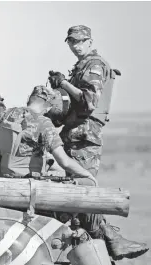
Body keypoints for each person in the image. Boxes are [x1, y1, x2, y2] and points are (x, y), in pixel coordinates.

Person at [47, 25, 148, 260]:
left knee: (84, 191)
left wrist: (63, 83)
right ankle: (106, 241)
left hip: (85, 136)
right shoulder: (81, 66)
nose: (76, 46)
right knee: (74, 193)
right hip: (73, 134)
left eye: (80, 41)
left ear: (90, 41)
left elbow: (89, 102)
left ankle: (111, 239)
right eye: (72, 42)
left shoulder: (95, 64)